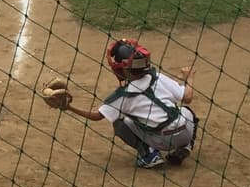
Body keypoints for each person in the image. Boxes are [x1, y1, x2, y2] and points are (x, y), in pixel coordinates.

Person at [55, 39, 198, 169]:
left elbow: (96, 116)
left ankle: (149, 155)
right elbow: (187, 97)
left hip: (162, 140)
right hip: (186, 131)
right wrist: (189, 79)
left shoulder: (122, 96)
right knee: (186, 111)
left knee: (119, 121)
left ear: (121, 69)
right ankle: (185, 146)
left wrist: (68, 107)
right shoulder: (158, 76)